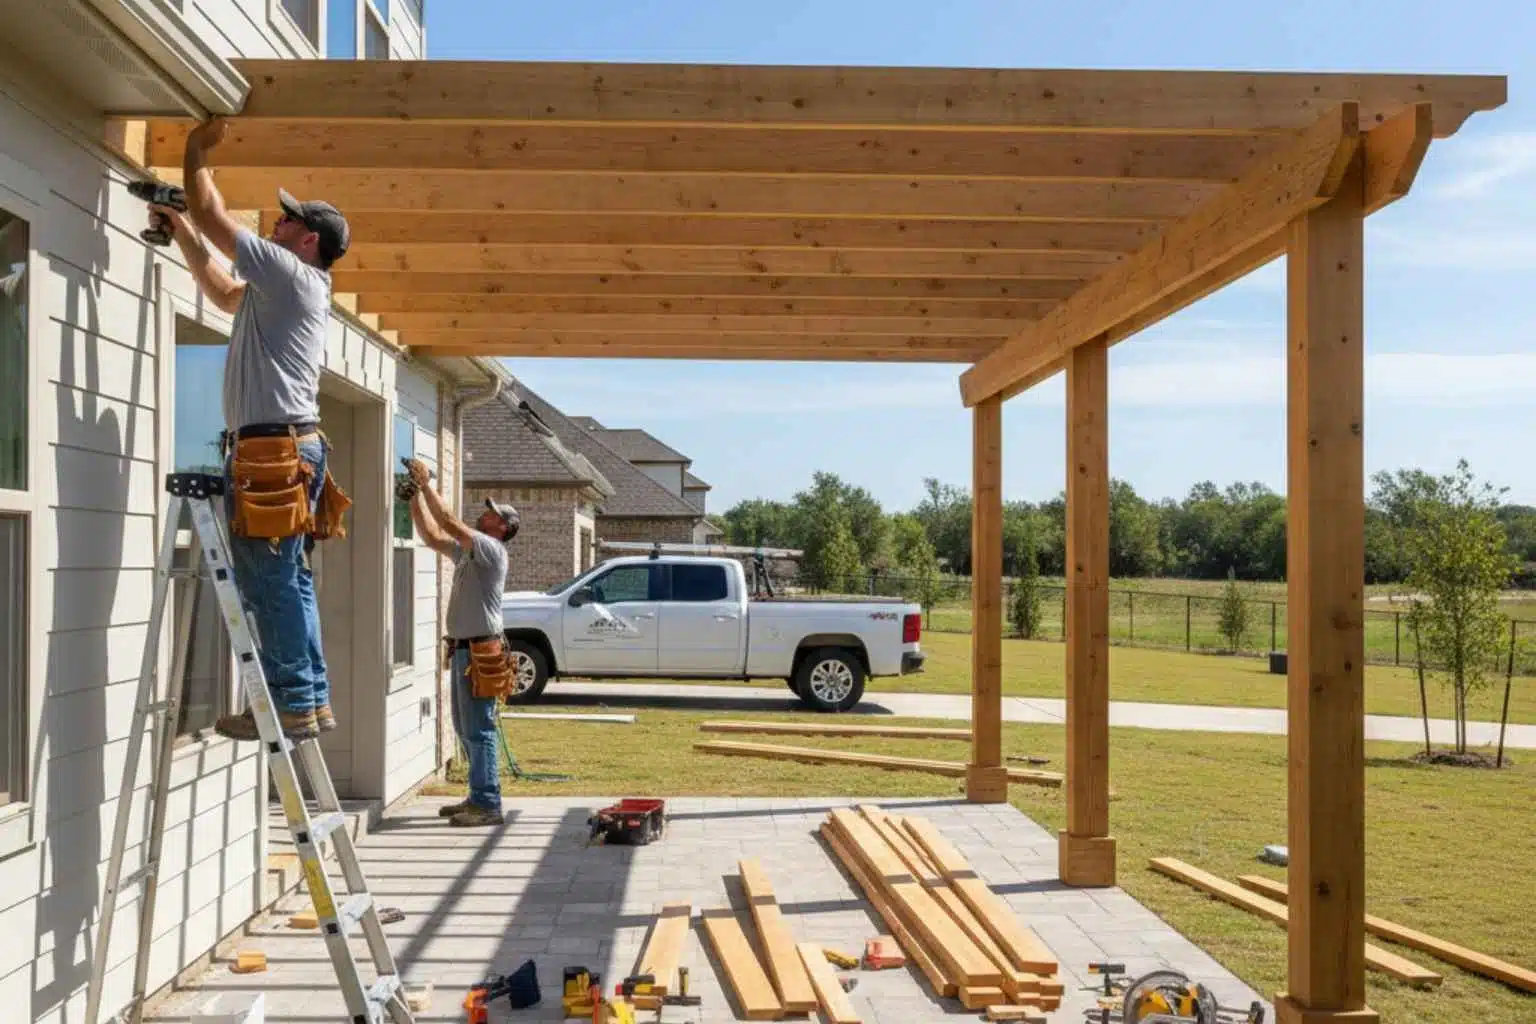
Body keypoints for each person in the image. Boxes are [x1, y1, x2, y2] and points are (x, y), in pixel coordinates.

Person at [150, 117, 352, 741]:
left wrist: (195, 151)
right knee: (287, 579)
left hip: (274, 450)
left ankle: (292, 703)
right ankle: (308, 699)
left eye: (289, 220)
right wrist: (180, 228)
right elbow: (219, 291)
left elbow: (215, 213)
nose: (277, 221)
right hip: (285, 447)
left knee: (269, 582)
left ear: (309, 241)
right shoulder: (278, 290)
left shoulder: (292, 275)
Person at [403, 458, 518, 827]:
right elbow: (433, 536)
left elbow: (449, 521)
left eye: (491, 514)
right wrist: (412, 500)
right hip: (465, 649)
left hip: (483, 652)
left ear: (503, 527)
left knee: (479, 726)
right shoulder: (469, 553)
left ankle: (487, 803)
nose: (484, 515)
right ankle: (477, 796)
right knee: (463, 724)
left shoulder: (491, 550)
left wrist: (424, 485)